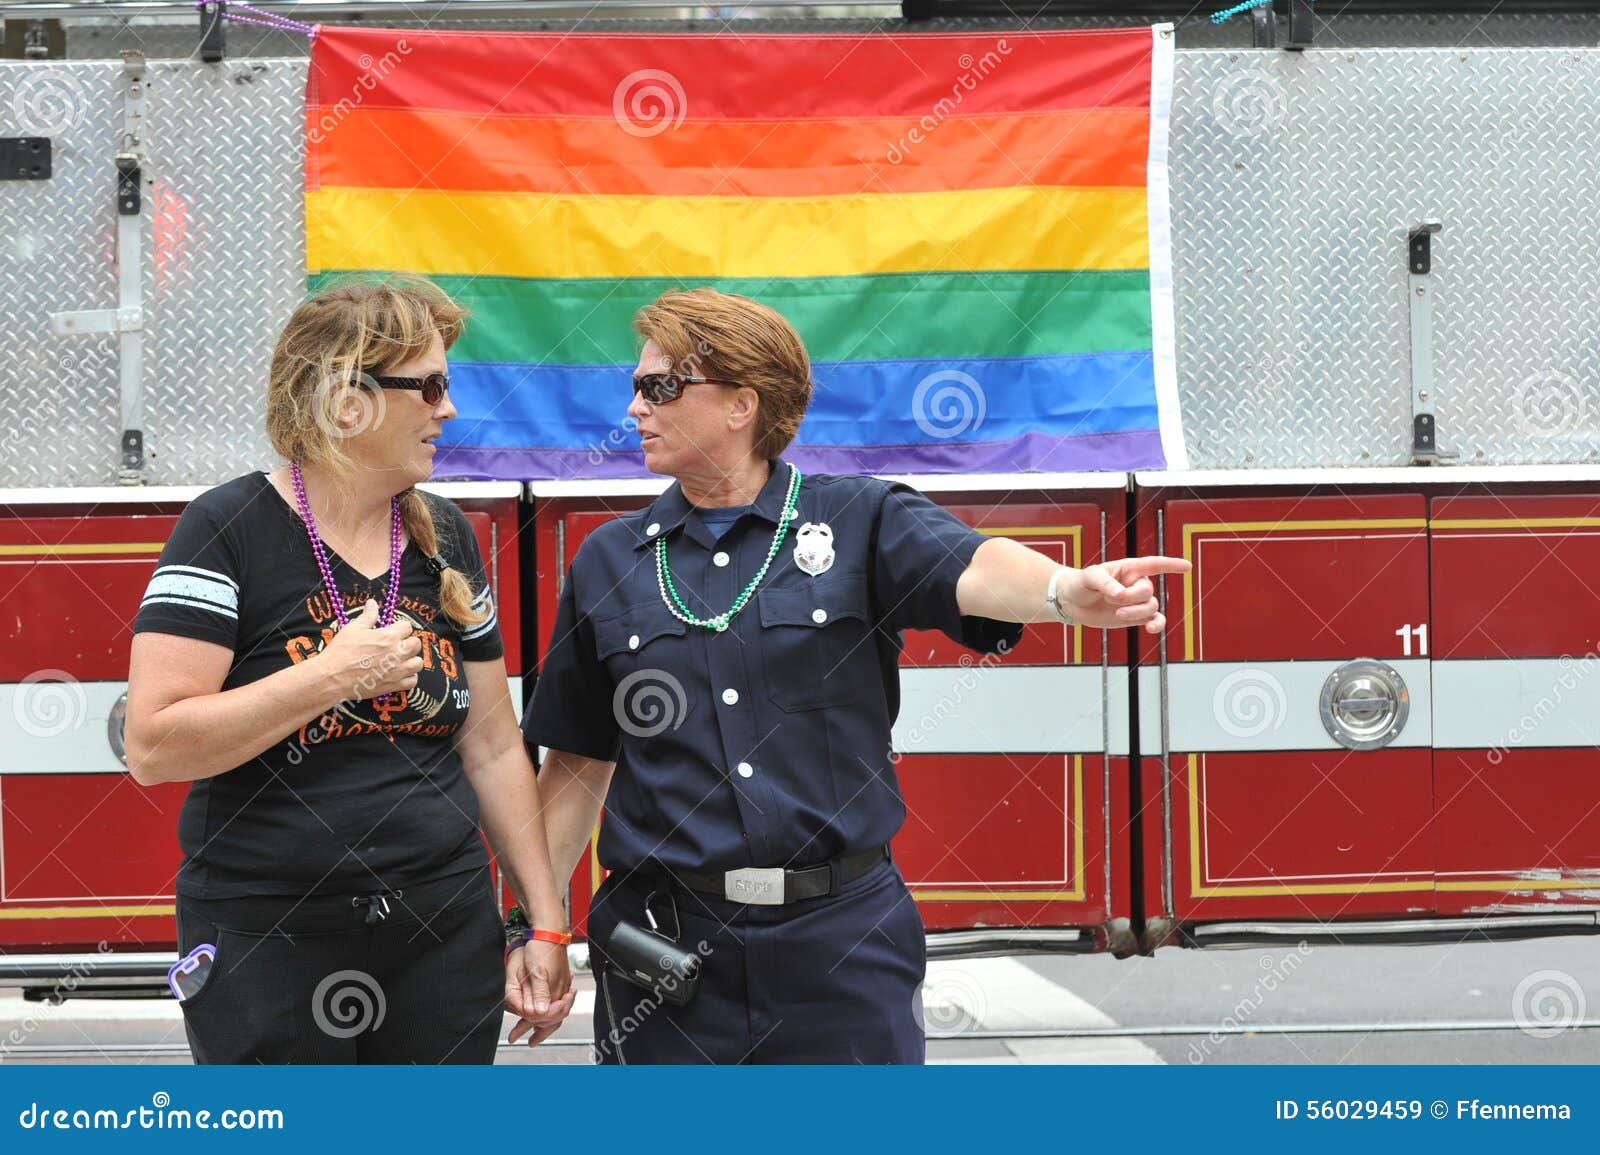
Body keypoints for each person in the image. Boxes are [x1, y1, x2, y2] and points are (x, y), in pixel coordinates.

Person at [520, 287, 1190, 1063]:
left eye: (660, 386)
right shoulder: (610, 559)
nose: (635, 406)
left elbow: (969, 566)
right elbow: (575, 763)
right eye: (637, 385)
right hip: (666, 948)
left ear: (743, 403)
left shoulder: (859, 520)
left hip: (841, 942)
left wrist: (1063, 591)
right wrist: (537, 923)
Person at [125, 276, 574, 1063]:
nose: (449, 408)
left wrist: (543, 919)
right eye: (429, 385)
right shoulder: (225, 529)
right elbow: (155, 746)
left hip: (441, 931)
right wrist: (331, 677)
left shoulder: (448, 539)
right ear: (347, 401)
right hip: (268, 935)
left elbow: (496, 744)